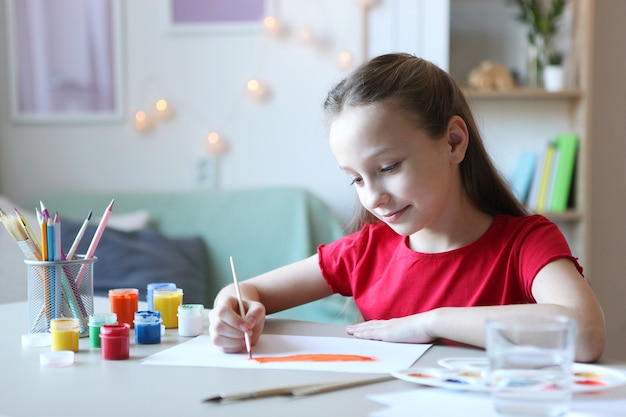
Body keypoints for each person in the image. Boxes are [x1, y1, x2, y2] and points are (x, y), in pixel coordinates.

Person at [209, 53, 606, 362]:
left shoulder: (526, 244)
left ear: (453, 141)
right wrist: (230, 307)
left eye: (388, 167)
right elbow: (247, 289)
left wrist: (430, 322)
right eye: (357, 179)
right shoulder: (364, 252)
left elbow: (585, 332)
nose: (372, 197)